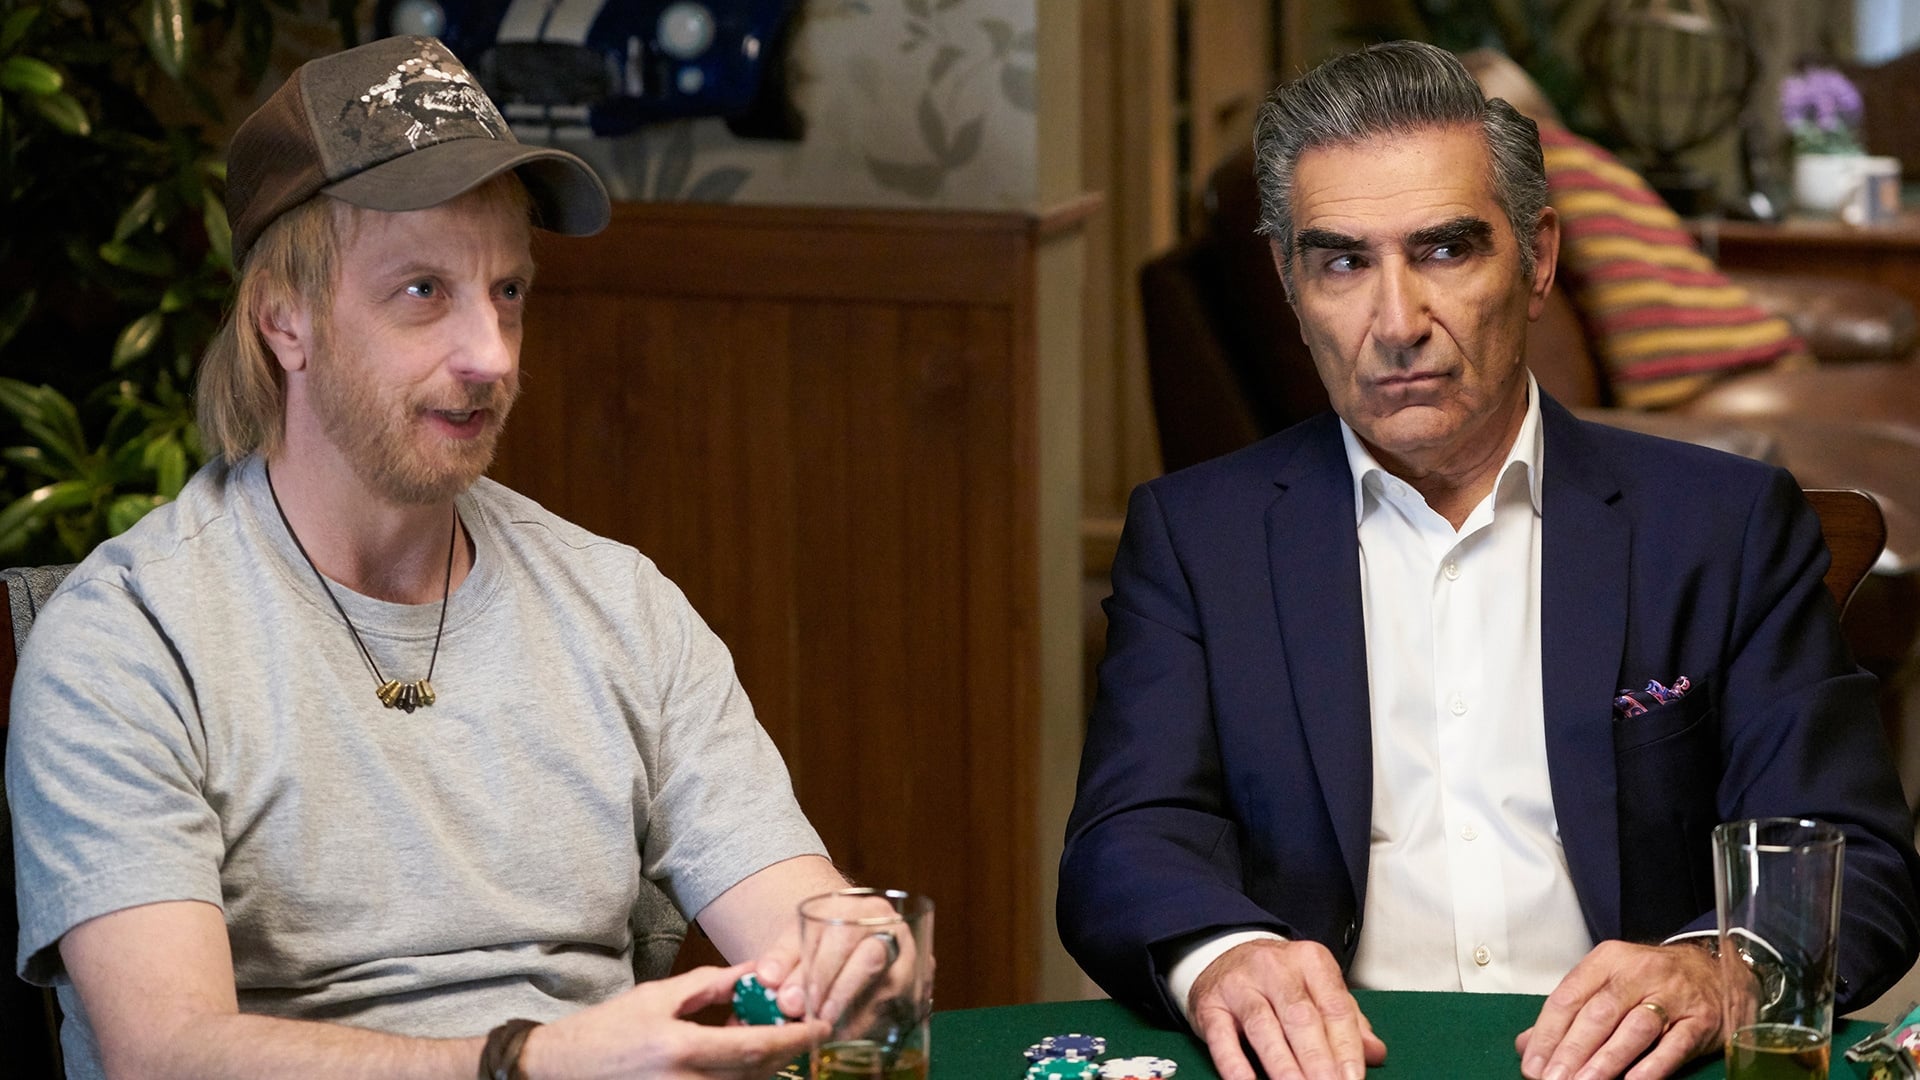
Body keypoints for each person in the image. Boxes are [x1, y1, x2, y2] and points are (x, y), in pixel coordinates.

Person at [8, 35, 875, 1080]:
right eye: (423, 291)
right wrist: (529, 1062)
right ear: (284, 320)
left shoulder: (619, 602)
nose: (492, 356)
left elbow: (807, 922)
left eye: (508, 291)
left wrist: (859, 954)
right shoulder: (125, 640)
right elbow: (165, 1053)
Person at [1057, 39, 1920, 1080]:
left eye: (1443, 251)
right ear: (1289, 280)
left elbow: (1854, 858)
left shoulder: (1722, 525)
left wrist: (1720, 968)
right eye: (1342, 262)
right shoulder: (1198, 538)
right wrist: (1227, 957)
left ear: (1538, 259)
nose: (1396, 324)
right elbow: (1126, 839)